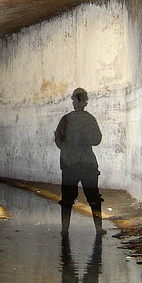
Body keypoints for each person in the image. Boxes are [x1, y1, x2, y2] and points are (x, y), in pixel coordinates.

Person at [54, 87, 105, 234]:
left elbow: (58, 142)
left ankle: (64, 230)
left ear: (74, 101)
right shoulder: (90, 119)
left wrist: (68, 146)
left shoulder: (66, 119)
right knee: (94, 197)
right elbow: (97, 140)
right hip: (88, 163)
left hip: (70, 164)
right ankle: (99, 228)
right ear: (86, 102)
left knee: (67, 199)